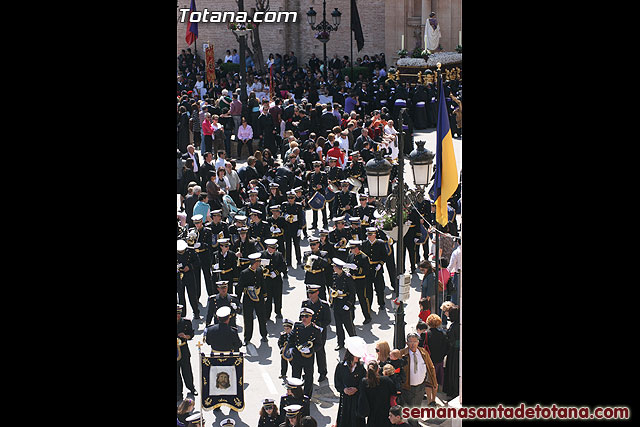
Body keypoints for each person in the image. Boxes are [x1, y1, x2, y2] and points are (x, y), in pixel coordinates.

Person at [399, 332, 438, 426]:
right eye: (410, 341)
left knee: (416, 407)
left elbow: (431, 367)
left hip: (420, 387)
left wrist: (434, 382)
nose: (413, 344)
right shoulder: (402, 354)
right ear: (406, 342)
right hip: (407, 387)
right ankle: (414, 424)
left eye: (415, 341)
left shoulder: (423, 352)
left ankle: (414, 423)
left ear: (418, 342)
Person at [301, 284, 332, 383]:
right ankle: (307, 373)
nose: (310, 295)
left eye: (312, 293)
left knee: (320, 352)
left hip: (319, 332)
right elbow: (301, 317)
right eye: (309, 293)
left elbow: (327, 320)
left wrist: (318, 326)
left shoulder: (324, 305)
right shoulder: (305, 304)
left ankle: (322, 372)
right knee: (307, 353)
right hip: (308, 332)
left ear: (317, 293)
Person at [289, 306, 322, 398]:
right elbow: (291, 338)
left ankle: (307, 395)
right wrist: (291, 348)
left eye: (306, 316)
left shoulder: (316, 330)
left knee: (308, 377)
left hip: (308, 357)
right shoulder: (297, 325)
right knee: (295, 376)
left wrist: (310, 350)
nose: (303, 318)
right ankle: (295, 394)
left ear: (311, 317)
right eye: (302, 316)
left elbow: (319, 344)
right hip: (297, 355)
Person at [236, 252, 269, 345]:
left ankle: (264, 335)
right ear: (254, 262)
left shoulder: (259, 271)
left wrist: (265, 294)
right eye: (258, 261)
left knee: (261, 317)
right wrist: (246, 290)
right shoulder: (244, 273)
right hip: (248, 298)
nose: (259, 263)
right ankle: (247, 338)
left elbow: (262, 283)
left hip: (259, 298)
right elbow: (239, 286)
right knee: (248, 319)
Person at [334, 338, 367, 427]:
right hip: (345, 399)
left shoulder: (361, 368)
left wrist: (356, 389)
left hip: (356, 399)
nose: (358, 358)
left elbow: (364, 383)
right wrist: (344, 390)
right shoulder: (341, 366)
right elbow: (337, 382)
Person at [359, 360, 397, 427]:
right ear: (378, 369)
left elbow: (362, 397)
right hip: (385, 414)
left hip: (372, 415)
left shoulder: (364, 382)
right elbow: (394, 393)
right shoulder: (386, 380)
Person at [330, 258, 357, 350]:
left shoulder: (347, 277)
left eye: (334, 267)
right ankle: (340, 343)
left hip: (345, 303)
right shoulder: (334, 276)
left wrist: (349, 304)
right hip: (337, 303)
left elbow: (353, 292)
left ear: (338, 268)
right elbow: (332, 287)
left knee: (348, 325)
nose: (333, 268)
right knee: (338, 325)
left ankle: (354, 342)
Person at [346, 239, 372, 325]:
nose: (351, 250)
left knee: (363, 300)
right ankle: (351, 318)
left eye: (352, 248)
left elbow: (367, 271)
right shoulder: (350, 256)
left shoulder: (364, 257)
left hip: (361, 281)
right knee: (351, 300)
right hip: (351, 282)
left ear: (357, 248)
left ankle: (367, 316)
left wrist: (357, 269)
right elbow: (347, 265)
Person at [361, 227, 387, 311]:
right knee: (368, 289)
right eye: (368, 235)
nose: (369, 236)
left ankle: (381, 303)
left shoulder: (380, 243)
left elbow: (384, 255)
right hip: (368, 269)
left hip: (377, 269)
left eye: (370, 235)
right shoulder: (364, 244)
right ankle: (370, 304)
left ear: (374, 235)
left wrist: (380, 264)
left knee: (379, 288)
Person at [261, 238, 287, 320]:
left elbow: (283, 266)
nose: (274, 249)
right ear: (268, 247)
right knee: (267, 298)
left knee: (277, 296)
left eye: (275, 248)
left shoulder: (278, 255)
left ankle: (278, 311)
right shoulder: (262, 255)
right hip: (266, 280)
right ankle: (267, 314)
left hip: (276, 280)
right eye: (272, 248)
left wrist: (276, 272)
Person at [177, 304, 198, 401]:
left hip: (184, 349)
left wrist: (186, 336)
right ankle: (178, 393)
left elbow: (191, 334)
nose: (178, 316)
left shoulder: (186, 322)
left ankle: (191, 388)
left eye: (179, 314)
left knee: (187, 371)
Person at [177, 240, 200, 319]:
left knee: (192, 295)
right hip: (179, 276)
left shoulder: (191, 252)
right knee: (181, 296)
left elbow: (197, 262)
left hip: (189, 275)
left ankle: (196, 312)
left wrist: (189, 267)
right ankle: (182, 314)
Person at [281, 190, 304, 268]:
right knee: (288, 246)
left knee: (297, 245)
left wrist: (300, 228)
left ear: (294, 198)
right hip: (287, 228)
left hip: (295, 227)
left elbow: (301, 218)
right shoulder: (284, 205)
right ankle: (288, 261)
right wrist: (286, 215)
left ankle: (299, 259)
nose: (290, 199)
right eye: (289, 198)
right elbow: (282, 214)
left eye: (292, 198)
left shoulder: (298, 206)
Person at [425, 314, 448, 390]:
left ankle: (430, 387)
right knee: (439, 374)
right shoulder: (443, 334)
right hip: (439, 358)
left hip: (429, 358)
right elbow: (446, 347)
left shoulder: (425, 334)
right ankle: (437, 387)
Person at [442, 306, 460, 398]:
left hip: (454, 352)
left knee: (453, 372)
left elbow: (451, 340)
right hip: (456, 351)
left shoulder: (454, 327)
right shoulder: (458, 325)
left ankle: (454, 391)